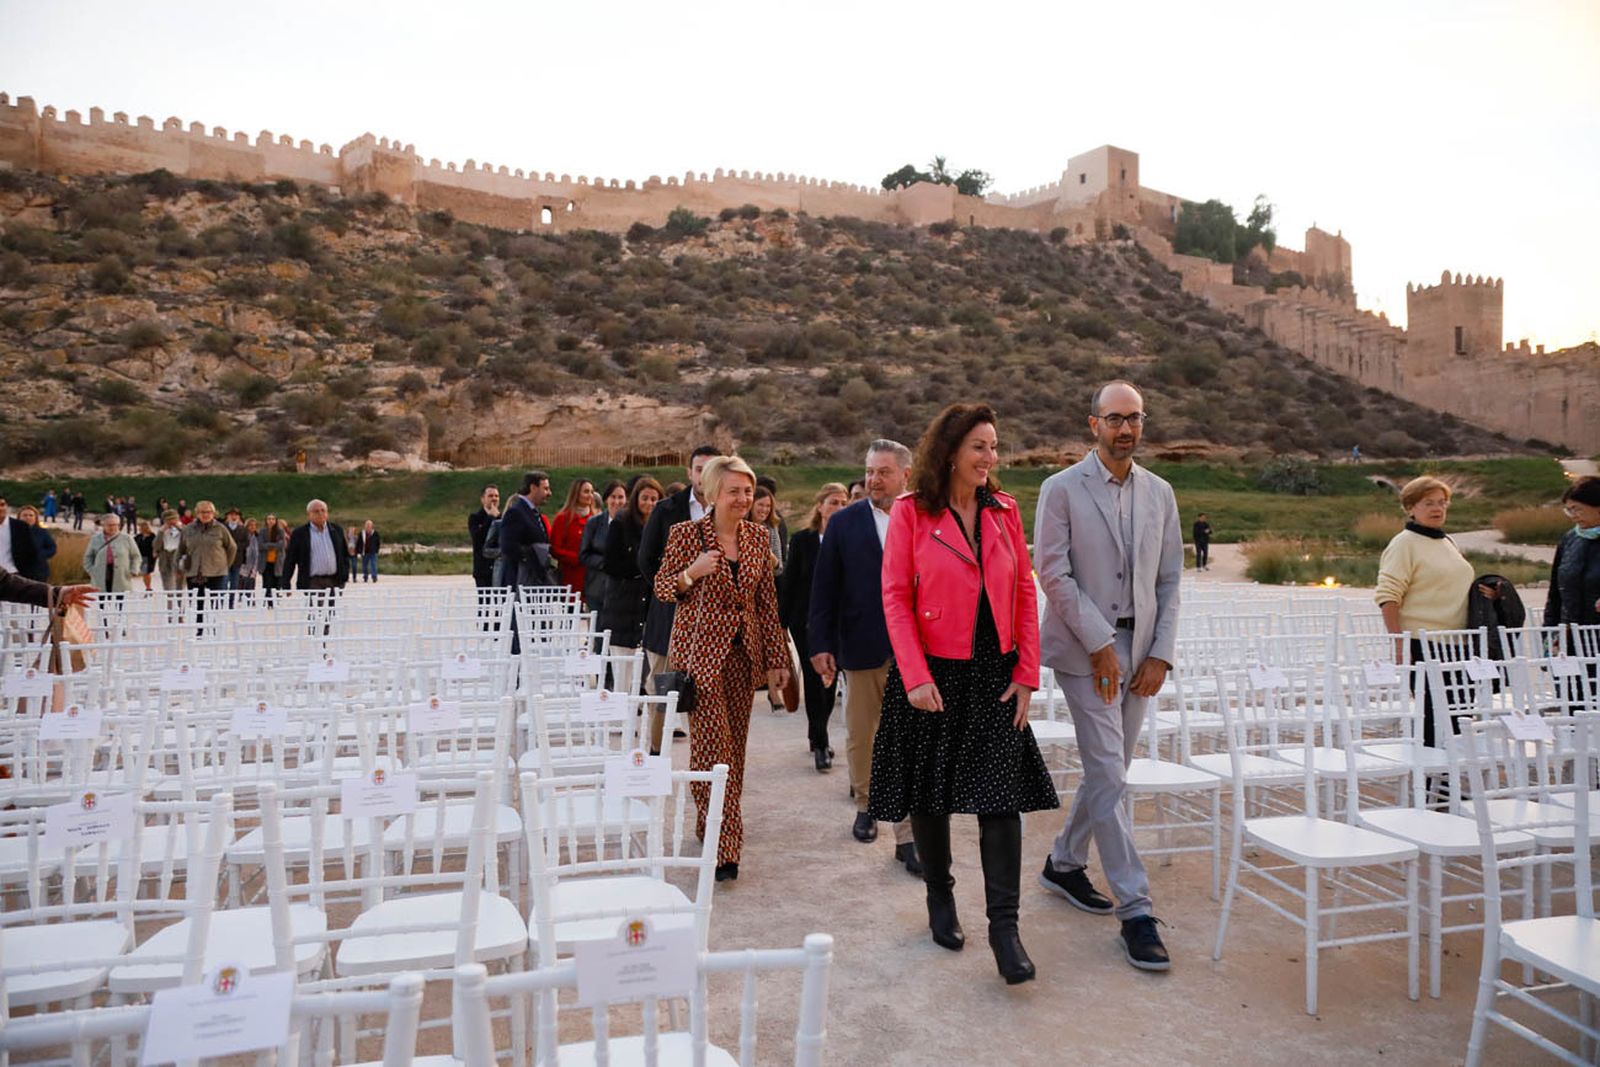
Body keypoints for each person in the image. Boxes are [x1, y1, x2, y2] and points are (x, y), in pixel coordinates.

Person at [870, 403, 1056, 985]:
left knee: (1000, 804)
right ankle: (940, 895)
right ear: (951, 451)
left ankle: (1006, 929)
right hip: (932, 673)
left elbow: (1025, 594)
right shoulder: (912, 512)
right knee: (931, 793)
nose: (991, 458)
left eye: (995, 447)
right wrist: (915, 672)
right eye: (980, 446)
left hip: (994, 672)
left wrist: (1028, 671)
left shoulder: (1004, 511)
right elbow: (895, 596)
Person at [1033, 380, 1182, 973]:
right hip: (1082, 647)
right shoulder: (1060, 489)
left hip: (1141, 645)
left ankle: (1064, 863)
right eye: (1115, 418)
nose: (1126, 429)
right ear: (1091, 423)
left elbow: (1169, 579)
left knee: (1109, 771)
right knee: (1105, 767)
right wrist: (1099, 644)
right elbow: (1053, 571)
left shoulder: (1162, 492)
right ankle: (1137, 909)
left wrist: (1160, 654)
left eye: (1135, 418)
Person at [653, 456, 790, 883]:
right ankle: (725, 845)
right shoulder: (685, 534)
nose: (743, 498)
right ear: (713, 493)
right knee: (713, 752)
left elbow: (767, 606)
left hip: (742, 660)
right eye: (734, 491)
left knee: (735, 755)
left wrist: (776, 661)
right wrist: (692, 573)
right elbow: (661, 588)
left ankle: (711, 824)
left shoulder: (757, 538)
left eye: (748, 491)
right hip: (700, 662)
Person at [809, 440, 920, 870]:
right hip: (862, 642)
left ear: (905, 475)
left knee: (911, 738)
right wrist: (820, 644)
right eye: (870, 471)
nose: (873, 479)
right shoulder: (844, 523)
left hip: (916, 649)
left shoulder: (925, 517)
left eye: (884, 472)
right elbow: (825, 589)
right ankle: (867, 803)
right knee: (863, 733)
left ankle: (908, 831)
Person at [1375, 475, 1475, 747]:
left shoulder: (1447, 541)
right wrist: (1399, 644)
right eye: (1428, 503)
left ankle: (1450, 784)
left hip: (1458, 643)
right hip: (1424, 643)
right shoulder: (1403, 543)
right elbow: (1388, 596)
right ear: (1410, 507)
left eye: (1442, 503)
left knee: (1460, 717)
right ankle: (1432, 783)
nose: (1437, 509)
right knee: (1436, 719)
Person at [640, 446, 721, 692]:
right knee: (661, 693)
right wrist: (676, 586)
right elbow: (646, 559)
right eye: (699, 470)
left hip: (714, 619)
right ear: (689, 473)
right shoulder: (666, 509)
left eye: (710, 470)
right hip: (669, 615)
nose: (703, 476)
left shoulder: (729, 509)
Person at [780, 483, 847, 770]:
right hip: (805, 620)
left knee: (830, 681)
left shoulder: (849, 539)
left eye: (844, 503)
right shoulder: (802, 540)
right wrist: (780, 625)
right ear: (819, 506)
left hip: (840, 621)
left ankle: (816, 732)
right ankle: (821, 743)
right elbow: (789, 583)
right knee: (814, 677)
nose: (839, 508)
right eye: (833, 502)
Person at [601, 477, 662, 694]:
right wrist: (641, 569)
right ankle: (620, 720)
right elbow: (611, 563)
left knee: (647, 670)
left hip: (647, 601)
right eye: (645, 498)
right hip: (623, 600)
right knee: (623, 669)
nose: (650, 504)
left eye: (654, 499)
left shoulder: (660, 526)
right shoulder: (621, 523)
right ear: (636, 499)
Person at [1546, 476, 1600, 632]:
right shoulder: (1570, 539)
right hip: (1572, 635)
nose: (1573, 515)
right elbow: (1555, 594)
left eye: (1577, 509)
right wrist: (1550, 634)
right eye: (1569, 510)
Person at [183, 500, 241, 627]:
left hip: (217, 573)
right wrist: (181, 567)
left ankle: (215, 629)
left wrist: (226, 565)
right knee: (198, 604)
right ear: (197, 513)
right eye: (202, 512)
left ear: (213, 513)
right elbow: (181, 549)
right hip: (195, 573)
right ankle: (200, 630)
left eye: (209, 512)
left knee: (216, 604)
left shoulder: (220, 528)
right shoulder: (188, 529)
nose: (206, 514)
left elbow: (232, 547)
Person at [499, 472, 555, 590]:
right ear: (533, 488)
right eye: (545, 489)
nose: (549, 493)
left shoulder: (533, 512)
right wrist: (534, 556)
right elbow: (508, 546)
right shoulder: (516, 512)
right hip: (521, 581)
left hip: (533, 581)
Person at [580, 479, 627, 618]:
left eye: (621, 497)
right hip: (597, 588)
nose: (617, 502)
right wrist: (606, 563)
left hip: (623, 590)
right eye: (613, 497)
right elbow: (584, 554)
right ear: (606, 499)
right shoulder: (593, 523)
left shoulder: (632, 523)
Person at [285, 499, 351, 592]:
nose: (320, 513)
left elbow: (344, 554)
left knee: (333, 607)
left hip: (335, 581)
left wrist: (345, 574)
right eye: (316, 511)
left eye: (323, 510)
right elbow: (290, 559)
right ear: (309, 514)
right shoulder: (300, 534)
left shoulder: (336, 530)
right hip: (313, 582)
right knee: (316, 606)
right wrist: (286, 582)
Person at [550, 479, 597, 598]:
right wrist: (578, 558)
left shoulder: (596, 519)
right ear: (576, 494)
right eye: (586, 491)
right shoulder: (563, 519)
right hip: (569, 577)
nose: (590, 495)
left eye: (592, 492)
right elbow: (555, 548)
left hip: (592, 577)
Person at [84, 513, 140, 594]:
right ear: (103, 525)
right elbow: (88, 557)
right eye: (109, 525)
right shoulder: (95, 539)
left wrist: (133, 570)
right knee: (102, 598)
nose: (113, 527)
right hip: (101, 573)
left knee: (119, 599)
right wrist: (92, 571)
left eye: (115, 525)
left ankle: (118, 606)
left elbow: (136, 556)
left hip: (121, 575)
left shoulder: (127, 538)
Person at [0, 495, 43, 583]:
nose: (0, 508)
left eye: (2, 505)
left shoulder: (20, 527)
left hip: (13, 575)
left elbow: (32, 554)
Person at [468, 485, 501, 591]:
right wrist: (490, 518)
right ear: (483, 499)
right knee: (484, 604)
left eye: (496, 496)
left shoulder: (503, 518)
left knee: (500, 602)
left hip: (498, 567)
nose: (494, 499)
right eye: (490, 496)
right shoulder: (475, 517)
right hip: (482, 569)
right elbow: (477, 538)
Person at [16, 505, 55, 583]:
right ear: (19, 517)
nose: (28, 517)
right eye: (25, 515)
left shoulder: (42, 532)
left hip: (38, 572)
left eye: (31, 515)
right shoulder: (11, 532)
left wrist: (39, 555)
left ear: (35, 518)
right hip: (17, 573)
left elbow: (52, 548)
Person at [154, 509, 186, 593]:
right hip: (165, 555)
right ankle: (170, 603)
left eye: (173, 519)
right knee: (167, 583)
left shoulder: (184, 529)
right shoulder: (162, 530)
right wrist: (161, 532)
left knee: (180, 583)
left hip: (178, 555)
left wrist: (180, 529)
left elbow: (189, 541)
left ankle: (180, 604)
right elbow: (156, 546)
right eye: (168, 520)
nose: (171, 522)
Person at [261, 514, 288, 597]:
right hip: (265, 561)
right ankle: (268, 602)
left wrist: (268, 545)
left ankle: (275, 601)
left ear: (276, 521)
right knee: (267, 584)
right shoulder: (262, 531)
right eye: (269, 519)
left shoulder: (280, 531)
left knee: (276, 582)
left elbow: (282, 545)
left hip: (277, 561)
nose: (271, 521)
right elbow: (261, 545)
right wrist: (274, 545)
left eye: (273, 519)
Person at [237, 517, 262, 595]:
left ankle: (250, 600)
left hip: (254, 563)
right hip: (243, 563)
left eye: (254, 525)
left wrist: (255, 567)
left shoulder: (258, 537)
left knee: (251, 584)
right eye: (250, 525)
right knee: (242, 584)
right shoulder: (242, 536)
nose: (252, 527)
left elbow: (258, 553)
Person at [223, 508, 245, 592]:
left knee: (234, 583)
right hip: (225, 559)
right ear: (227, 516)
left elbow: (246, 542)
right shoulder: (222, 528)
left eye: (236, 515)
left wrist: (235, 546)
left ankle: (231, 603)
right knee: (224, 582)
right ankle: (222, 602)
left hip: (237, 559)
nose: (234, 517)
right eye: (231, 515)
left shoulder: (243, 529)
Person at [133, 517, 155, 591]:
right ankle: (147, 587)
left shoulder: (152, 536)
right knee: (143, 573)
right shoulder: (138, 537)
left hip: (148, 557)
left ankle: (148, 587)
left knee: (146, 573)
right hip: (140, 556)